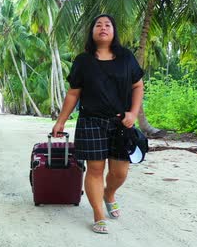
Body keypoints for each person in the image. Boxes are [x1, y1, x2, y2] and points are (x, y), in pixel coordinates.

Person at [52, 14, 144, 234]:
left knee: (120, 172)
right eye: (98, 25)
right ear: (92, 32)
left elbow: (138, 86)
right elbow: (74, 94)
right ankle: (98, 213)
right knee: (95, 169)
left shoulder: (126, 58)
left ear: (114, 32)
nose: (103, 27)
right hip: (91, 121)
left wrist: (133, 113)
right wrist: (61, 121)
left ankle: (109, 194)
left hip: (121, 122)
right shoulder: (83, 61)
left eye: (108, 25)